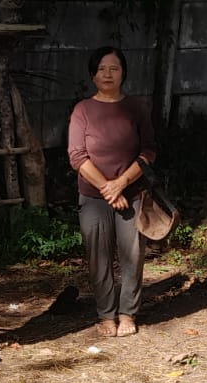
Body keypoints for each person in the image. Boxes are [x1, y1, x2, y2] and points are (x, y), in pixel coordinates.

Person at [67, 46, 157, 337]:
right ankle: (106, 314)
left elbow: (149, 150)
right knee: (98, 256)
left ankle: (128, 313)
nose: (108, 74)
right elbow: (77, 156)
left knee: (132, 254)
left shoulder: (136, 107)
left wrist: (121, 184)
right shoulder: (82, 110)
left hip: (132, 193)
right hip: (93, 196)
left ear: (123, 73)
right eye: (102, 69)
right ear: (93, 74)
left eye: (114, 68)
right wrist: (108, 188)